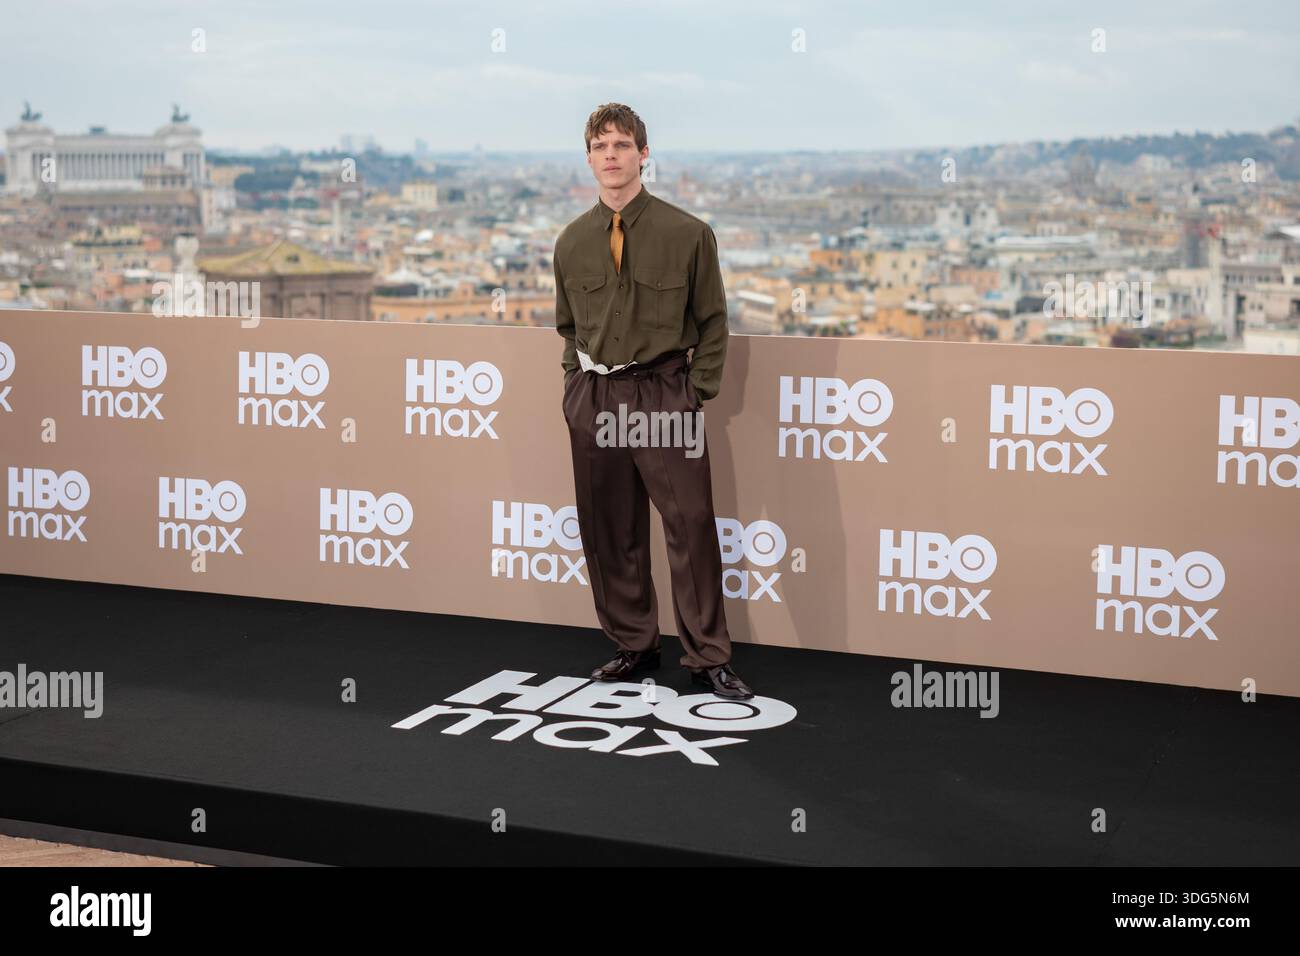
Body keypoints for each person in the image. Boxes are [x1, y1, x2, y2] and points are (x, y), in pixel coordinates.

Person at [553, 103, 754, 701]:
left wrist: (695, 391)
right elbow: (568, 328)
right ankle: (634, 646)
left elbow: (713, 323)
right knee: (610, 528)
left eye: (621, 144)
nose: (610, 155)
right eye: (600, 146)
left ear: (644, 153)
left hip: (664, 393)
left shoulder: (689, 233)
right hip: (596, 396)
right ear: (589, 158)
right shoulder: (571, 241)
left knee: (689, 525)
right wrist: (574, 390)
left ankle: (708, 657)